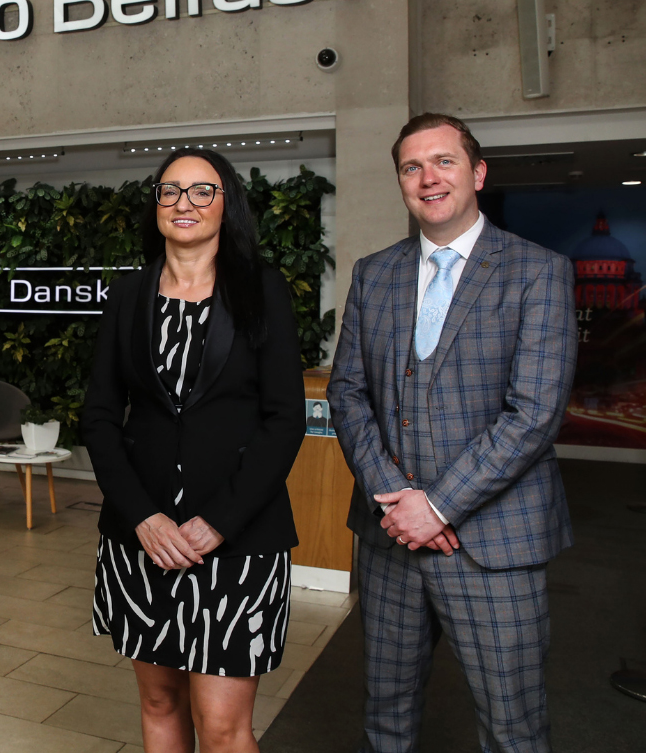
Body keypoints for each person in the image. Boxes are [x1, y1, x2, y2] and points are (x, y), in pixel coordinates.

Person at [327, 113, 576, 753]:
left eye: (444, 162)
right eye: (412, 167)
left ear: (477, 172)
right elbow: (348, 393)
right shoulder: (374, 273)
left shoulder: (537, 271)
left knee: (512, 728)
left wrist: (436, 506)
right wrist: (393, 495)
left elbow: (535, 413)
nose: (428, 178)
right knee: (386, 717)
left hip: (493, 547)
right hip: (390, 543)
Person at [82, 148, 306, 753]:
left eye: (202, 191)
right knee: (159, 705)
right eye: (170, 191)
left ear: (226, 203)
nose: (184, 203)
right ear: (155, 205)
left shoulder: (262, 290)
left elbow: (285, 420)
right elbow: (100, 416)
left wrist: (218, 524)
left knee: (223, 727)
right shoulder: (129, 294)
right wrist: (142, 517)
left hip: (237, 544)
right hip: (142, 542)